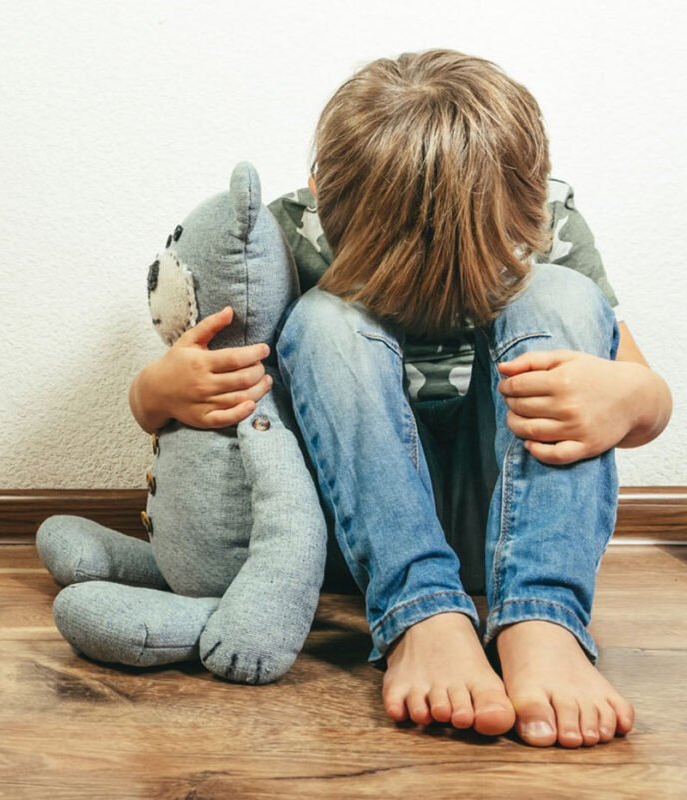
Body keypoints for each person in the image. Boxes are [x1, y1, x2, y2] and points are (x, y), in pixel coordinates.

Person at [128, 49, 672, 748]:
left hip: (506, 521)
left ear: (531, 203)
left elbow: (648, 399)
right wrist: (156, 391)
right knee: (325, 319)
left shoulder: (546, 224)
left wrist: (630, 397)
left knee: (563, 295)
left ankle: (543, 618)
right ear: (320, 192)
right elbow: (173, 413)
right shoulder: (288, 235)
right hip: (360, 527)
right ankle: (421, 616)